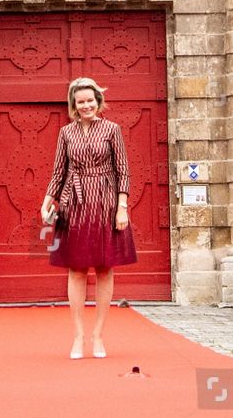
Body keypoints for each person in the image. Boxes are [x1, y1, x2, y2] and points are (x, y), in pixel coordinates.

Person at [39, 76, 137, 359]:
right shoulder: (66, 133)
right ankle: (78, 336)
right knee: (76, 269)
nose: (86, 106)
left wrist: (122, 207)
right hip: (75, 206)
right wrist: (47, 201)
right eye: (80, 102)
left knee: (105, 268)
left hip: (106, 204)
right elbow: (59, 171)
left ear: (98, 101)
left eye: (90, 101)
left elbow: (123, 171)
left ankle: (98, 336)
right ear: (74, 104)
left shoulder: (112, 130)